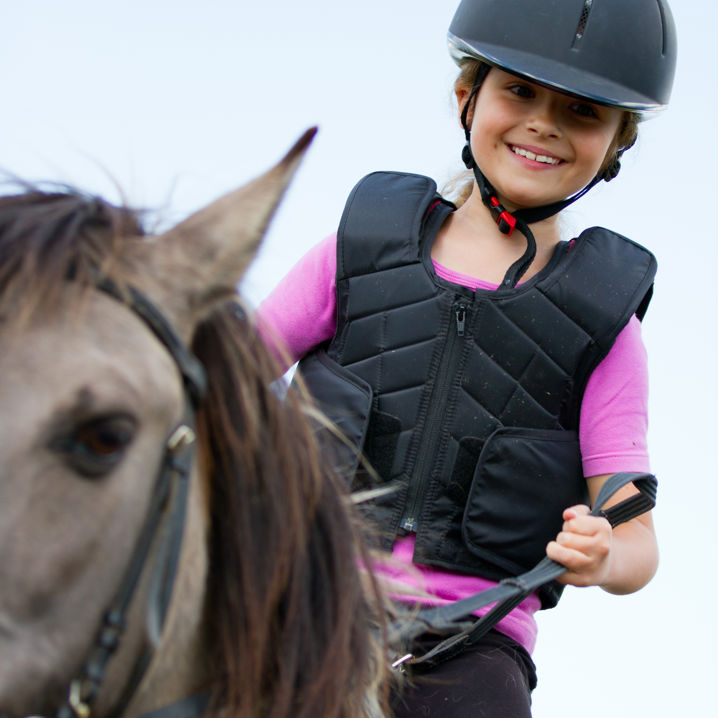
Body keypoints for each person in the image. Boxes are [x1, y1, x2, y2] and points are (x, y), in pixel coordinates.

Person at [256, 0, 677, 715]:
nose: (543, 123)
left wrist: (605, 554)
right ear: (466, 97)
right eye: (519, 90)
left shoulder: (604, 325)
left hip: (469, 645)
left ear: (615, 145)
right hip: (302, 595)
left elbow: (638, 540)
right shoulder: (356, 254)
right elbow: (221, 373)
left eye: (581, 111)